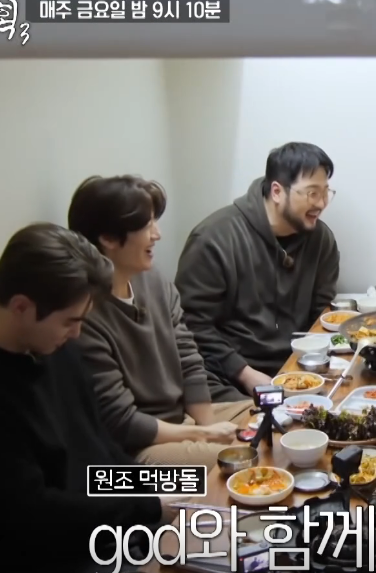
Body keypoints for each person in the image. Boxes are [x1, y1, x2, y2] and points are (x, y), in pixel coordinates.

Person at [0, 223, 187, 573]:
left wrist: (167, 487)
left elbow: (97, 449)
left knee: (219, 492)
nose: (76, 333)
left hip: (109, 521)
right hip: (54, 555)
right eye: (69, 322)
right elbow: (29, 517)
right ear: (21, 306)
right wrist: (147, 506)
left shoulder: (53, 347)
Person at [68, 175, 251, 467]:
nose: (157, 234)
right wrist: (203, 435)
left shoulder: (153, 280)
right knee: (246, 462)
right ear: (108, 238)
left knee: (284, 420)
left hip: (187, 421)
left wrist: (209, 429)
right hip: (142, 450)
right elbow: (122, 421)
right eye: (147, 225)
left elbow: (188, 358)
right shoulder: (84, 316)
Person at [175, 142, 341, 393]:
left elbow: (321, 313)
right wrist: (244, 374)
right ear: (277, 191)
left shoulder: (321, 239)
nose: (322, 203)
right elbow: (192, 325)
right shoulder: (214, 238)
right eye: (312, 193)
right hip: (227, 378)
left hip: (298, 369)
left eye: (326, 192)